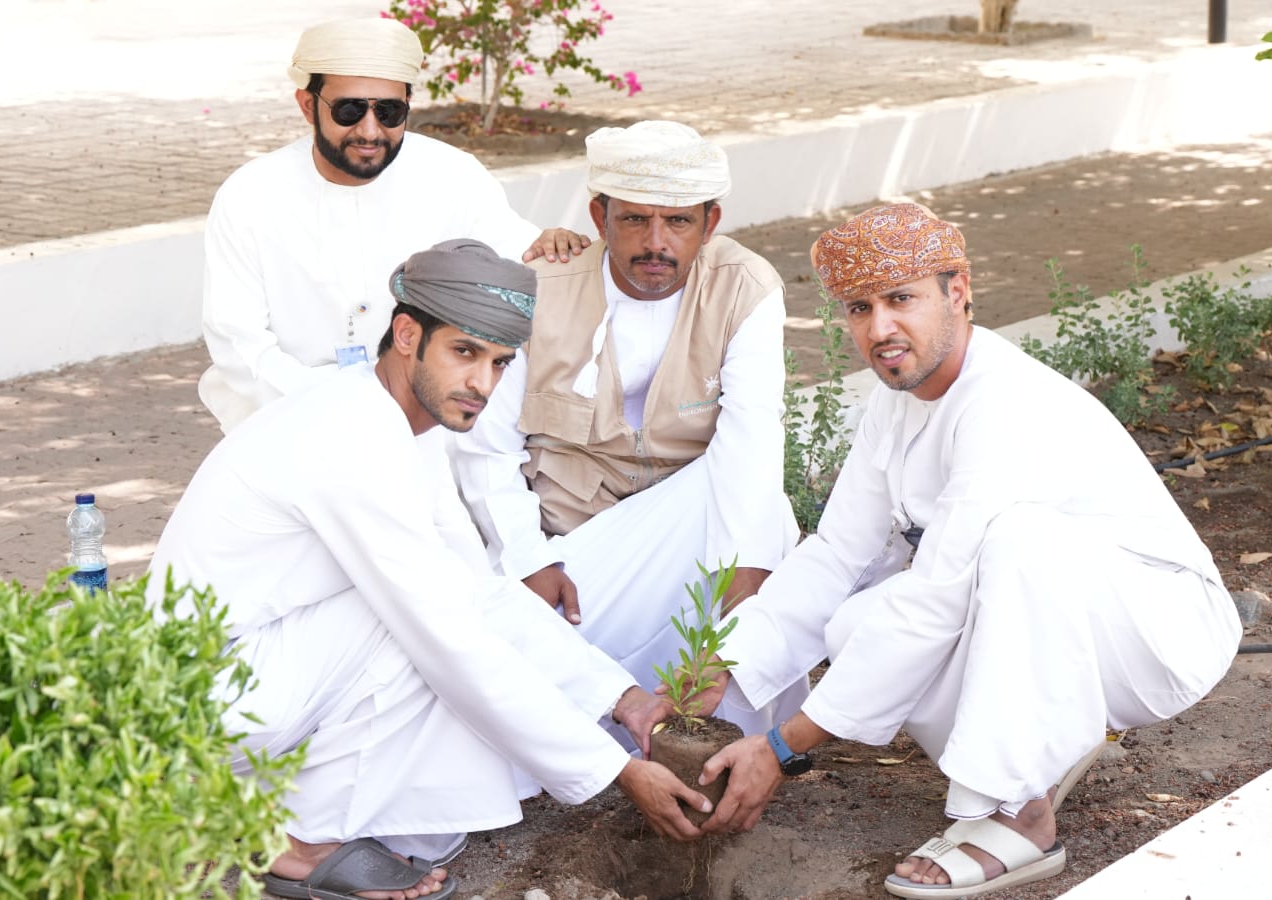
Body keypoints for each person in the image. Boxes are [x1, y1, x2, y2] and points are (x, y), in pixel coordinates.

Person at [692, 204, 1242, 897]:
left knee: (1015, 541)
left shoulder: (1004, 400)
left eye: (901, 299)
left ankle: (1021, 815)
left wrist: (782, 746)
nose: (879, 329)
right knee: (855, 624)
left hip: (1156, 622)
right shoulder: (895, 399)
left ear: (957, 291)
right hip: (1060, 610)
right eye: (860, 309)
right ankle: (1032, 763)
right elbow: (838, 553)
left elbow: (938, 593)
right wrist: (719, 665)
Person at [149, 240, 711, 900]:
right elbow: (450, 635)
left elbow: (484, 594)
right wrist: (614, 770)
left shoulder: (403, 427)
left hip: (255, 677)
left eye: (499, 363)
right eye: (464, 353)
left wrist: (623, 698)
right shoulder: (348, 436)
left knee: (444, 597)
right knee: (417, 619)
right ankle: (296, 840)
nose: (483, 384)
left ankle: (294, 813)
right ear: (407, 335)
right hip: (202, 706)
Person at [450, 120, 805, 735]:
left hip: (690, 539)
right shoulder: (540, 290)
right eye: (635, 219)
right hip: (570, 548)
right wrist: (528, 561)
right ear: (600, 217)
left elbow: (751, 439)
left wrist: (738, 620)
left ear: (710, 224)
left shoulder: (744, 289)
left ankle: (729, 743)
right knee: (519, 681)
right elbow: (485, 449)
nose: (656, 243)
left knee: (761, 507)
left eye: (679, 222)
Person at [198, 17, 588, 432]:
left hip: (422, 421)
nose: (370, 131)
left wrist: (551, 245)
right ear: (308, 105)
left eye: (389, 112)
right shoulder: (251, 195)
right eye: (349, 110)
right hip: (284, 418)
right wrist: (332, 409)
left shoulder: (451, 174)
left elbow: (513, 253)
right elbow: (239, 343)